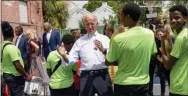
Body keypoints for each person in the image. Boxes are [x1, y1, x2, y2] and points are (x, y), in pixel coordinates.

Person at [105, 3, 157, 96]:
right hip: (143, 83)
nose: (120, 18)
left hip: (123, 84)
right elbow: (152, 53)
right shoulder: (150, 34)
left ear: (127, 16)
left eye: (121, 15)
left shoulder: (119, 38)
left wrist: (115, 34)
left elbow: (108, 61)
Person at [58, 14, 113, 96]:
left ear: (97, 24)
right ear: (84, 25)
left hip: (102, 76)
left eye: (92, 24)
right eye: (87, 24)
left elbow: (111, 57)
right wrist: (63, 55)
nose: (90, 26)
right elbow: (71, 59)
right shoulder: (80, 41)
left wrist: (103, 50)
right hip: (86, 76)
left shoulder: (105, 39)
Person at [160, 5, 188, 96]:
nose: (173, 20)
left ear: (185, 19)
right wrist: (170, 42)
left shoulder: (181, 37)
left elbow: (168, 65)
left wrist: (162, 44)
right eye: (171, 18)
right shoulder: (184, 34)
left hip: (179, 86)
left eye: (177, 18)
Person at [1, 21, 32, 96]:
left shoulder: (1, 45)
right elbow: (17, 65)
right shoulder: (12, 48)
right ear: (12, 35)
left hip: (5, 75)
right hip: (14, 77)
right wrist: (26, 75)